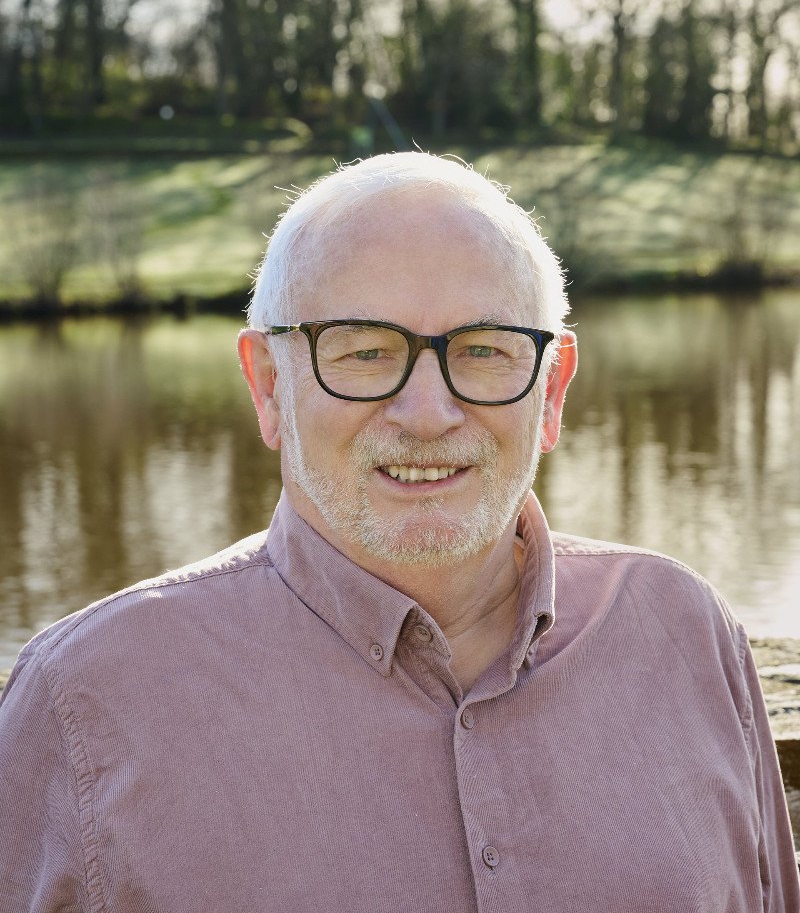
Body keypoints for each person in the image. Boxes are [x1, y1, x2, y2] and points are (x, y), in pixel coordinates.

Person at [0, 152, 797, 912]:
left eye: (481, 350)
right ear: (268, 386)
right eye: (366, 351)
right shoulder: (87, 704)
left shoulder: (685, 634)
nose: (427, 414)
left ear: (552, 388)